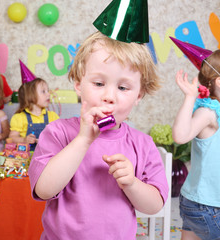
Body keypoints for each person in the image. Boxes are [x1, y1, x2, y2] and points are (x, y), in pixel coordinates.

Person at [28, 30, 169, 239]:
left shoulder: (143, 144)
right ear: (78, 84)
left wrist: (132, 184)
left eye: (122, 87)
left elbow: (155, 205)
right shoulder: (58, 132)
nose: (109, 96)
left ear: (138, 95)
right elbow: (43, 190)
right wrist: (83, 140)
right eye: (99, 83)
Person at [172, 50, 220, 239]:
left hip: (197, 202)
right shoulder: (209, 112)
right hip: (210, 205)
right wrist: (190, 98)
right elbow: (180, 135)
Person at [9, 61, 59, 151]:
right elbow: (12, 138)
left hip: (47, 158)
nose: (48, 94)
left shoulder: (53, 116)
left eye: (48, 91)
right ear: (30, 95)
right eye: (43, 91)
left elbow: (60, 137)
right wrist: (24, 140)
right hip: (26, 158)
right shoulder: (19, 118)